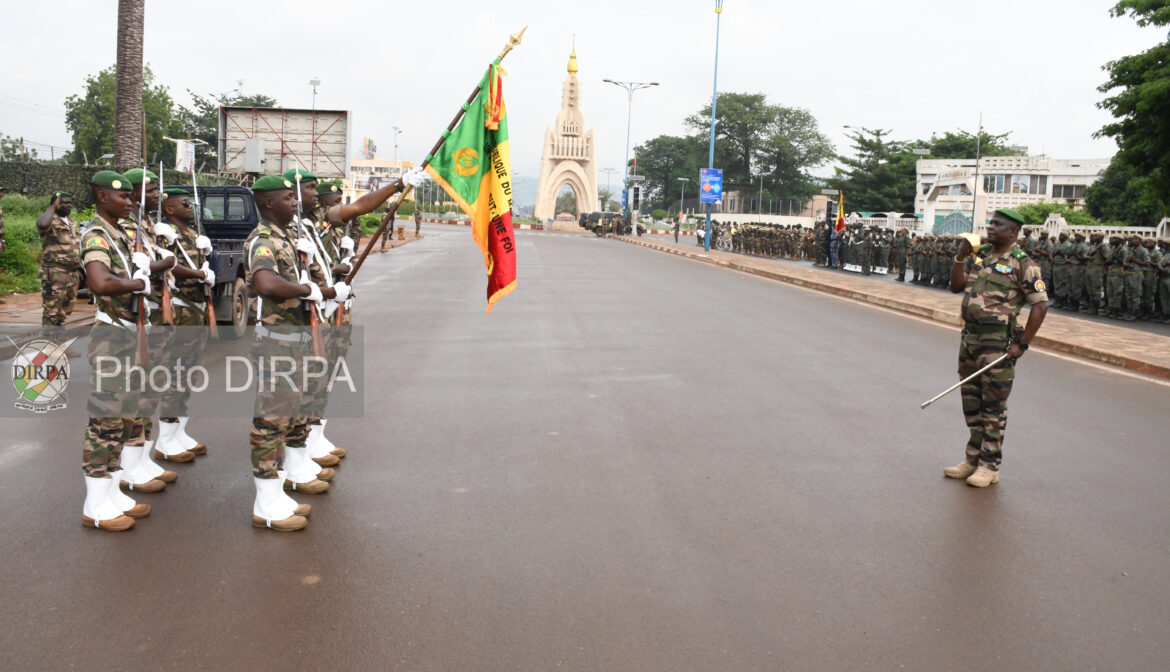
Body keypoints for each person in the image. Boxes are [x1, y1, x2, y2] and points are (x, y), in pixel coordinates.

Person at [78, 171, 169, 530]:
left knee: (126, 416)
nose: (130, 201)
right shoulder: (96, 235)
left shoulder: (120, 234)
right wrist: (136, 282)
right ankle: (94, 504)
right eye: (122, 197)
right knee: (106, 420)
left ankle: (111, 491)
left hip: (131, 334)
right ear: (102, 197)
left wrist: (149, 265)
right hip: (112, 336)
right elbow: (99, 281)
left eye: (131, 197)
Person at [943, 209, 1048, 487]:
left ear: (1013, 232)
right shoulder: (983, 257)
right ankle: (972, 459)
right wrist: (960, 257)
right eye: (990, 224)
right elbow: (956, 286)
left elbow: (1040, 304)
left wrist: (1022, 344)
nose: (990, 228)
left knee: (993, 408)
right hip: (970, 339)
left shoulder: (1023, 263)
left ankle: (990, 466)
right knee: (972, 405)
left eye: (998, 225)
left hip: (997, 344)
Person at [152, 187, 215, 459]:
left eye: (191, 203)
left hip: (197, 309)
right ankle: (165, 439)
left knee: (189, 372)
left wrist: (207, 256)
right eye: (186, 203)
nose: (191, 207)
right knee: (175, 373)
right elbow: (168, 265)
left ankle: (179, 431)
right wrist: (200, 274)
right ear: (169, 209)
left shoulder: (190, 234)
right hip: (180, 308)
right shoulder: (163, 234)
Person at [35, 191, 82, 335]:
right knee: (52, 310)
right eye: (63, 203)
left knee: (64, 310)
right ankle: (50, 343)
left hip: (72, 272)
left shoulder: (72, 222)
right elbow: (41, 225)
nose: (68, 205)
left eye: (69, 203)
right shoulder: (50, 221)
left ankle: (58, 340)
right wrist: (52, 208)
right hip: (55, 272)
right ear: (55, 205)